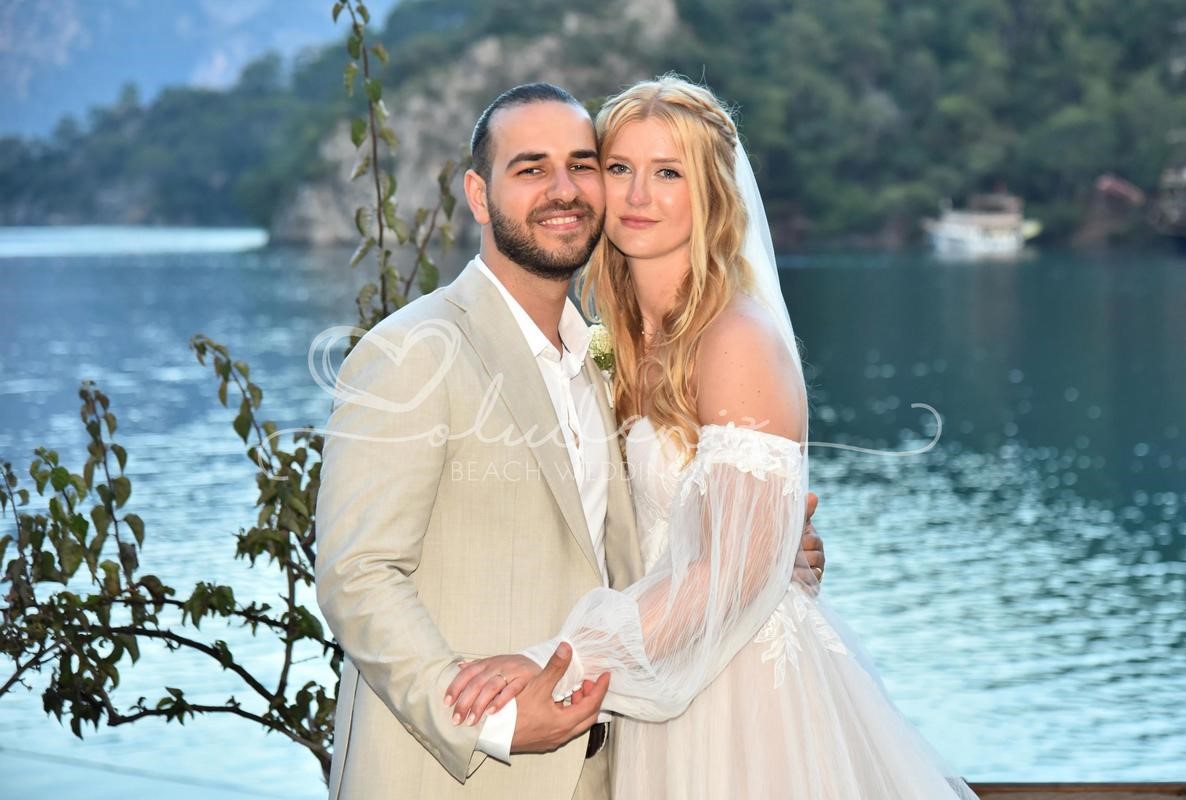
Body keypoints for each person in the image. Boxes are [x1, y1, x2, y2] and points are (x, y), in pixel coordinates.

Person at [446, 76, 979, 799]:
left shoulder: (736, 340)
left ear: (712, 196)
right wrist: (772, 542)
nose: (638, 195)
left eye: (669, 173)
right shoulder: (616, 343)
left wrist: (557, 658)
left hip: (741, 697)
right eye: (620, 168)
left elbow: (733, 571)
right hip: (660, 681)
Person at [313, 82, 826, 799]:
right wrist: (486, 719)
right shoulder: (414, 352)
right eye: (531, 168)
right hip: (458, 777)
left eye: (582, 165)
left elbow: (645, 538)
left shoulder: (601, 358)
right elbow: (357, 574)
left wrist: (759, 550)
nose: (564, 189)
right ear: (478, 194)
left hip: (625, 760)